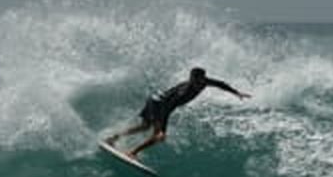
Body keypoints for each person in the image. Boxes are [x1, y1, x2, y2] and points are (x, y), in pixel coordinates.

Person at [105, 67, 251, 160]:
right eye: (191, 79)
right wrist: (162, 128)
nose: (192, 81)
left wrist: (237, 93)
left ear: (201, 78)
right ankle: (132, 153)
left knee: (144, 126)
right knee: (159, 136)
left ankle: (113, 138)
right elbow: (168, 107)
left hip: (154, 98)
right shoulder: (185, 91)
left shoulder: (206, 81)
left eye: (195, 79)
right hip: (159, 104)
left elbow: (221, 84)